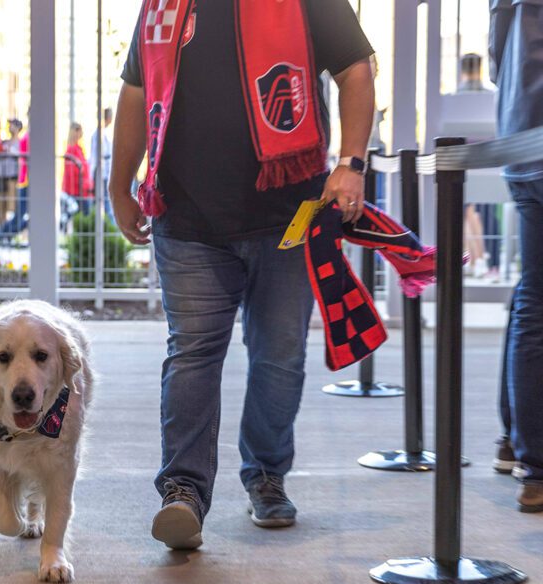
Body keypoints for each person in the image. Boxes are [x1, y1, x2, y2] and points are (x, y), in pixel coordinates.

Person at [111, 0, 375, 549]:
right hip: (186, 217)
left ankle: (265, 475)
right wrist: (120, 185)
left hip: (288, 217)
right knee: (192, 355)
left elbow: (355, 67)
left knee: (280, 357)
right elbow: (136, 90)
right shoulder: (163, 5)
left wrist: (352, 161)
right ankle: (182, 492)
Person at [489, 0, 543, 511]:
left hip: (521, 136)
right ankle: (536, 462)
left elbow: (493, 57)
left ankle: (519, 446)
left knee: (533, 293)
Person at [61, 122, 93, 232]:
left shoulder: (77, 148)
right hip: (77, 191)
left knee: (80, 215)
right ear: (75, 132)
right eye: (80, 130)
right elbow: (75, 172)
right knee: (83, 215)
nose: (82, 133)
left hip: (81, 190)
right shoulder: (72, 150)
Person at [89, 107, 114, 224]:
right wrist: (91, 175)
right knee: (104, 201)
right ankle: (109, 226)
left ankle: (107, 225)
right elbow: (94, 155)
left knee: (105, 201)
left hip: (106, 172)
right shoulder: (98, 134)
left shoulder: (105, 133)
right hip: (101, 172)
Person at [0, 118, 22, 227]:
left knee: (12, 206)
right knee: (1, 205)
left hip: (13, 179)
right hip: (2, 178)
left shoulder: (20, 143)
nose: (9, 127)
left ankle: (11, 230)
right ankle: (2, 230)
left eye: (12, 124)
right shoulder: (4, 143)